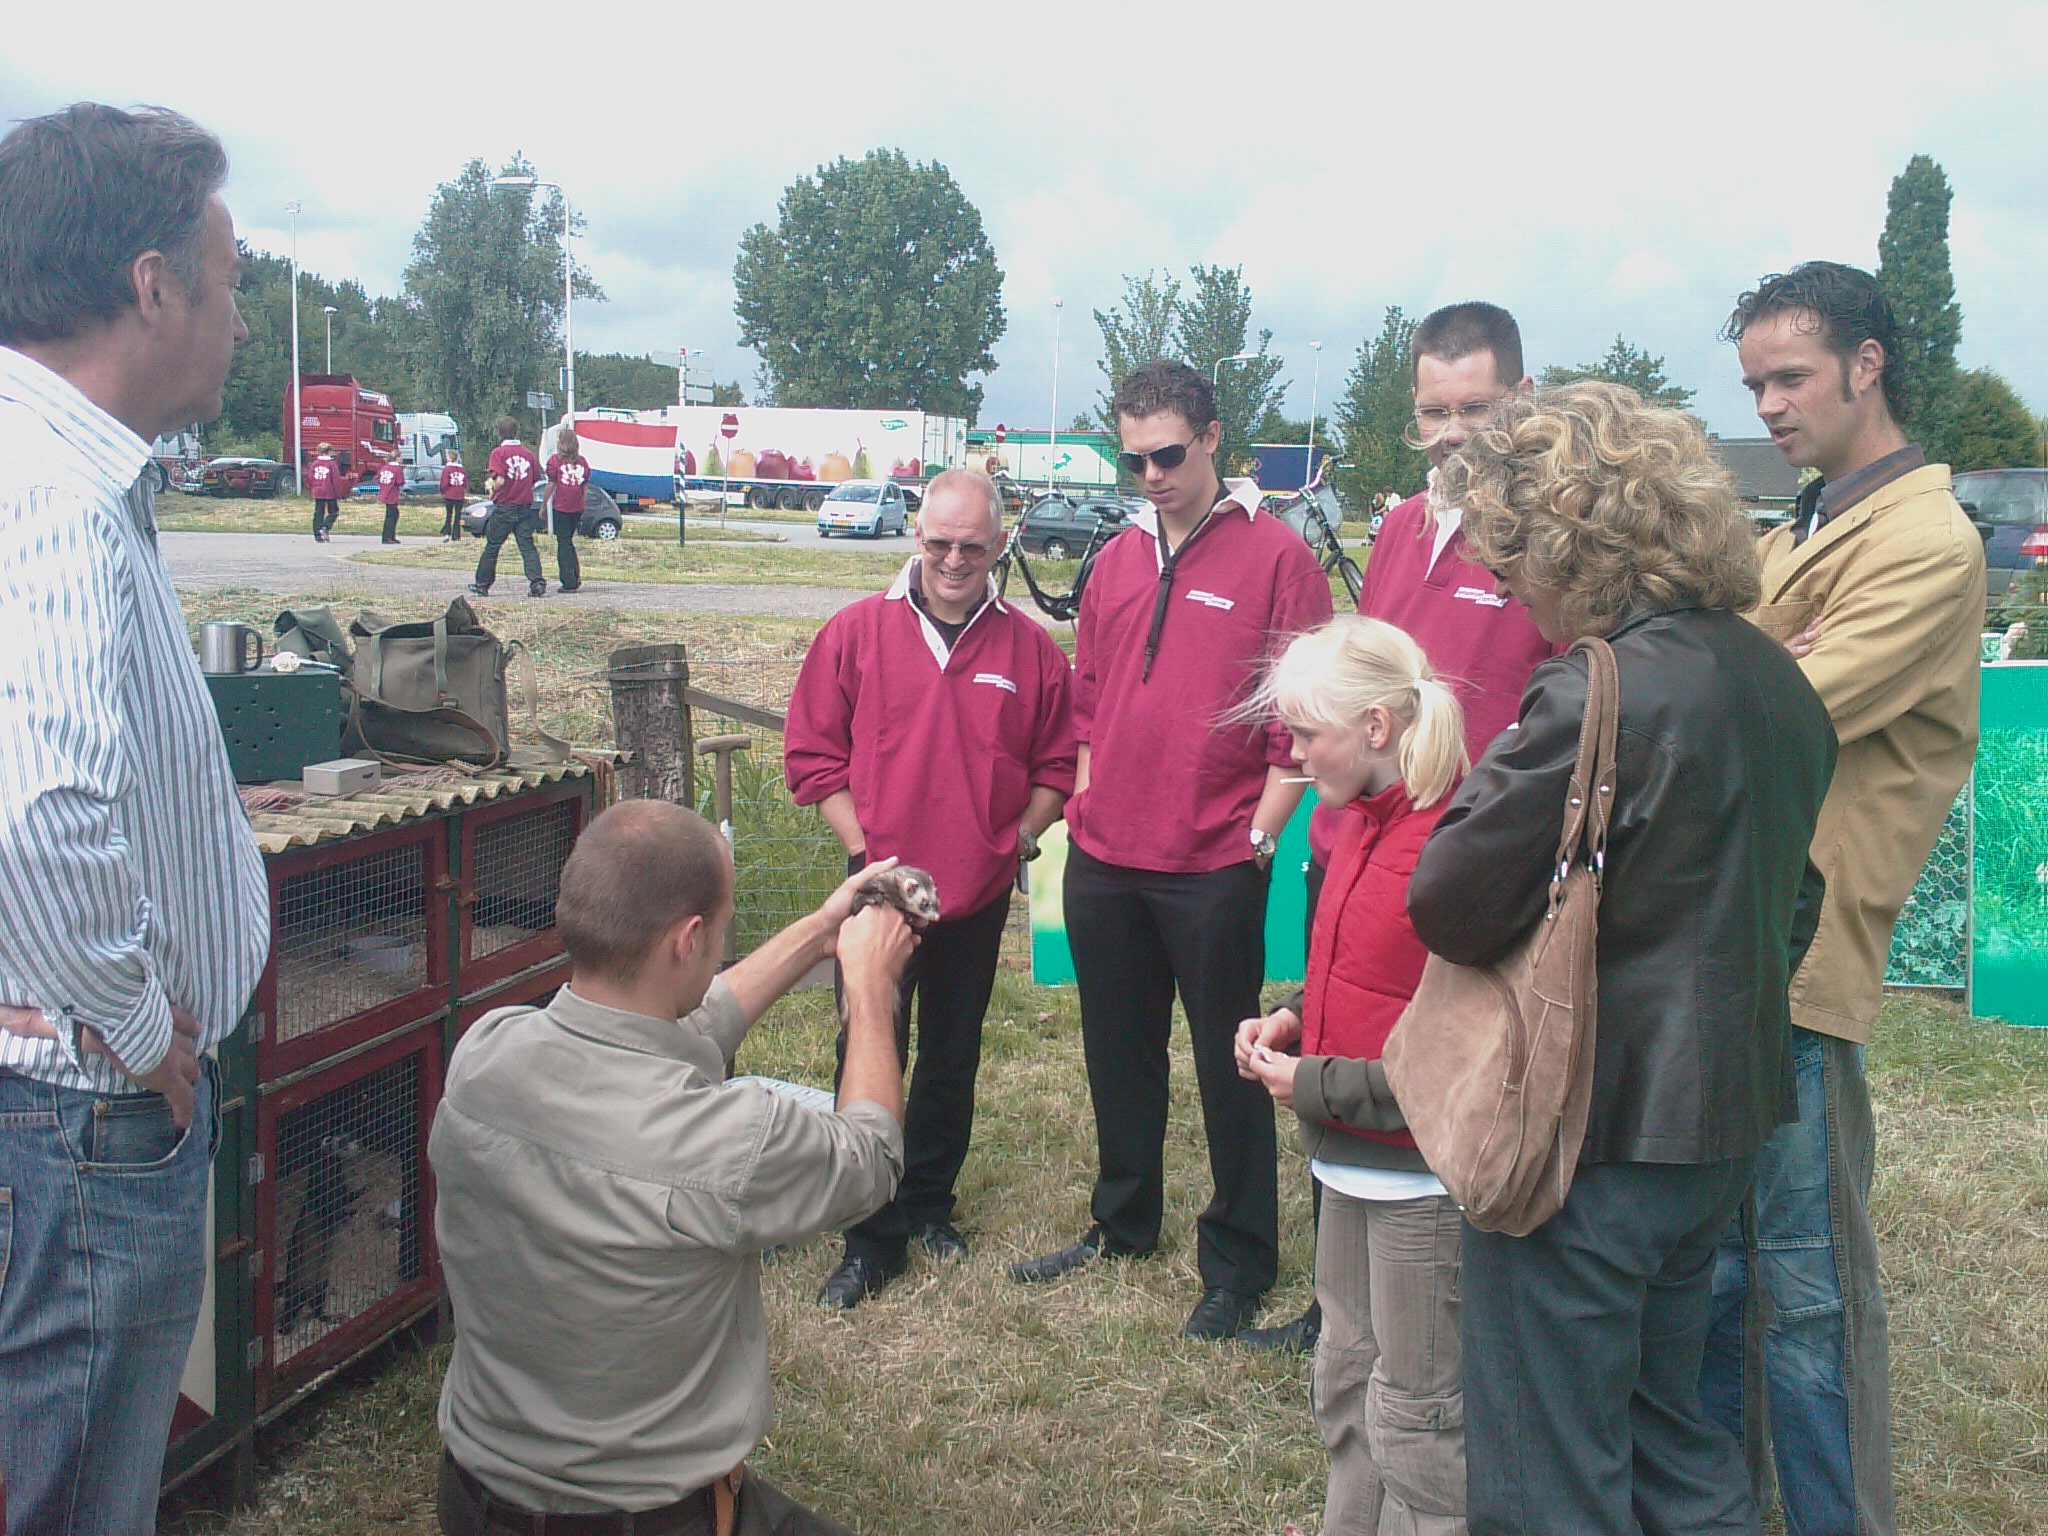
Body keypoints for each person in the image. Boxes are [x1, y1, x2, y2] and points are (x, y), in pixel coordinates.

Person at [1406, 382, 1836, 1535]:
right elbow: (1798, 896)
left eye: (1512, 555)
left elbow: (1446, 904)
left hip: (1579, 1133)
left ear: (1566, 540)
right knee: (1670, 1439)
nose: (1507, 587)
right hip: (1721, 1122)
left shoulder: (1593, 687)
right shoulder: (1774, 679)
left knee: (1548, 1470)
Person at [0, 103, 271, 1536]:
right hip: (89, 1114)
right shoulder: (44, 490)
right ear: (150, 287)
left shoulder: (64, 471)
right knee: (83, 1499)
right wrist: (140, 1027)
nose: (239, 322)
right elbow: (37, 816)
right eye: (225, 284)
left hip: (75, 1099)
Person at [1699, 262, 1985, 1536]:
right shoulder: (1798, 526)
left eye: (1788, 376)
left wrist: (1744, 660)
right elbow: (1713, 673)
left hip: (1799, 960)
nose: (1764, 403)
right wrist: (1747, 654)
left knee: (1805, 1289)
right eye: (1753, 380)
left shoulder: (1923, 539)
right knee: (1714, 1271)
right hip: (1726, 942)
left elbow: (1760, 711)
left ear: (1867, 364)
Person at [431, 801, 917, 1536]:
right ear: (690, 941)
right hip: (650, 1520)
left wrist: (823, 931)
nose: (722, 947)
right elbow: (870, 1157)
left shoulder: (483, 1055)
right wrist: (872, 989)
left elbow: (682, 1027)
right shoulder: (728, 1143)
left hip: (474, 1499)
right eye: (720, 931)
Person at [1246, 301, 1557, 1356]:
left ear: (1519, 397)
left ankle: (1425, 1314)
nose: (1450, 430)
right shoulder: (1399, 526)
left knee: (1432, 1068)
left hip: (1465, 861)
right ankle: (1343, 1298)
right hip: (1355, 844)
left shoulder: (1543, 536)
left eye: (1472, 405)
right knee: (1340, 1034)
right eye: (1432, 409)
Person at [1009, 358, 1334, 1341]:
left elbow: (1301, 719)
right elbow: (1092, 699)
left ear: (1210, 441)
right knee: (1115, 1052)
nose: (1148, 474)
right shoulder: (1112, 560)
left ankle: (1236, 1262)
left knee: (1230, 1064)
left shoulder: (1279, 560)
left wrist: (1259, 833)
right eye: (1130, 456)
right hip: (1109, 857)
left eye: (1165, 454)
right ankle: (1121, 1222)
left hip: (1213, 863)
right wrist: (1088, 803)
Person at [785, 469, 1077, 1310]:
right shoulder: (855, 633)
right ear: (917, 535)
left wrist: (1015, 841)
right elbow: (813, 758)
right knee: (867, 1049)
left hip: (976, 895)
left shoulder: (1029, 650)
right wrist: (865, 853)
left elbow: (1059, 766)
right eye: (940, 543)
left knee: (953, 1055)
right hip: (876, 894)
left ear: (1000, 544)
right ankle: (868, 1236)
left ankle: (929, 1206)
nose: (954, 560)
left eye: (973, 547)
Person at [1234, 615, 1472, 1534]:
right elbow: (1372, 975)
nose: (1291, 756)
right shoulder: (1360, 827)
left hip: (1417, 1181)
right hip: (1349, 1164)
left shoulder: (1447, 844)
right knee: (1345, 1374)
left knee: (1417, 1411)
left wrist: (1318, 1085)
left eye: (1306, 734)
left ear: (1375, 728)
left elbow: (1457, 1048)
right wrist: (1298, 1013)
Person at [469, 415, 546, 598]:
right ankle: (537, 582)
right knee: (527, 546)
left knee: (493, 545)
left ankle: (482, 584)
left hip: (505, 506)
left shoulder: (498, 453)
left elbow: (501, 480)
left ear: (499, 434)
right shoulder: (528, 454)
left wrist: (492, 487)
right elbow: (535, 478)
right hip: (525, 505)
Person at [544, 426, 589, 592]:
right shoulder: (582, 462)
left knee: (563, 543)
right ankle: (575, 575)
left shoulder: (555, 461)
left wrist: (544, 504)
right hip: (576, 506)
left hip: (561, 506)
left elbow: (551, 484)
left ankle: (568, 580)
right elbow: (584, 485)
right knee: (568, 541)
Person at [308, 439, 343, 540]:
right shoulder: (331, 464)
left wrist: (312, 488)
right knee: (333, 511)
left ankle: (317, 534)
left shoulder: (314, 463)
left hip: (317, 490)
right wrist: (338, 494)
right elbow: (335, 479)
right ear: (328, 452)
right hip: (329, 491)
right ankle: (325, 527)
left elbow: (310, 478)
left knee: (318, 512)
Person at [439, 450, 468, 540]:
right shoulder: (462, 469)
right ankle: (456, 535)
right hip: (460, 495)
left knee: (449, 515)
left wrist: (443, 491)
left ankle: (447, 532)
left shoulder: (447, 469)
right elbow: (465, 483)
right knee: (457, 515)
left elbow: (444, 482)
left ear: (450, 458)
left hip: (449, 494)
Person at [375, 454, 405, 543]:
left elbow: (378, 478)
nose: (401, 459)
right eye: (400, 457)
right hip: (392, 494)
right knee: (391, 516)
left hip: (384, 492)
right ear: (397, 458)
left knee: (393, 514)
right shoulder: (397, 469)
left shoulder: (384, 467)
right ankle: (387, 537)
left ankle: (391, 536)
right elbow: (400, 482)